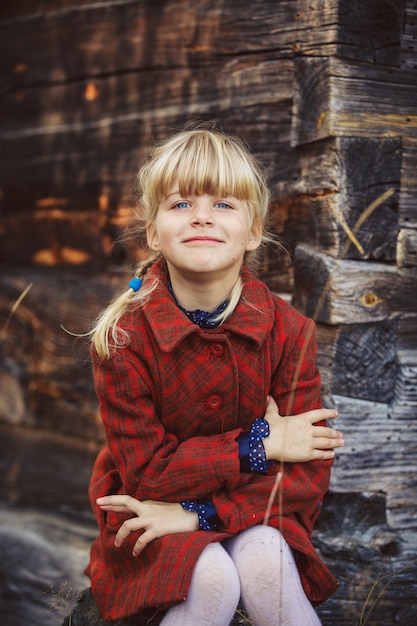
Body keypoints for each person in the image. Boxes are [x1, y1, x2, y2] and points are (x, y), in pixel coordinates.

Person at [85, 124, 344, 626]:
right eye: (180, 204)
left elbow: (307, 472)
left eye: (224, 204)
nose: (202, 215)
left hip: (255, 510)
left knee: (266, 556)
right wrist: (260, 444)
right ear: (154, 232)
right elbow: (148, 474)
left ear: (253, 232)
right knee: (211, 579)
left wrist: (197, 514)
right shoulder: (122, 337)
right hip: (148, 513)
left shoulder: (289, 332)